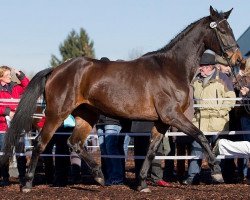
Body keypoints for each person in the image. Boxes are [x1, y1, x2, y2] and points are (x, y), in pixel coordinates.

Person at [183, 50, 236, 185]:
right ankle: (192, 177)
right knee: (196, 150)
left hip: (217, 121)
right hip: (199, 122)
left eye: (205, 66)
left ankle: (219, 176)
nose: (201, 68)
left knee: (219, 150)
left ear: (211, 67)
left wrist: (221, 112)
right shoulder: (196, 81)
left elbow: (230, 98)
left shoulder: (223, 78)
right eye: (201, 65)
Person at [0, 66, 30, 186]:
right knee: (4, 153)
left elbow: (28, 87)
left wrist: (21, 76)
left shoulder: (15, 87)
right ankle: (5, 178)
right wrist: (8, 112)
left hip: (17, 125)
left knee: (20, 152)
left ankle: (22, 177)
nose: (9, 77)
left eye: (10, 75)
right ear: (1, 76)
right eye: (7, 75)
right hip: (3, 127)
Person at [132, 121, 171, 187]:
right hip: (139, 127)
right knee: (140, 152)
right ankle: (140, 178)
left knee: (157, 151)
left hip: (155, 128)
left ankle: (157, 178)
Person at [96, 114, 128, 185]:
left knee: (111, 148)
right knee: (104, 150)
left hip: (112, 120)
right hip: (99, 121)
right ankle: (110, 176)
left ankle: (117, 177)